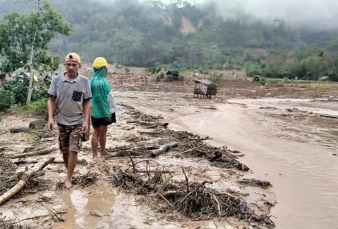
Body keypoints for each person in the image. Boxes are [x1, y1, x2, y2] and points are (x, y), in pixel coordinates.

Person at [47, 52, 92, 190]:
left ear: (79, 66)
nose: (71, 67)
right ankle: (69, 171)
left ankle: (68, 178)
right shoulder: (56, 80)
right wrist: (50, 117)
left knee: (74, 149)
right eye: (68, 64)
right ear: (64, 65)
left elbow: (87, 102)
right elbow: (51, 99)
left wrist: (86, 121)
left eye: (74, 65)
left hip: (77, 121)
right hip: (61, 120)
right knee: (65, 150)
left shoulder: (84, 82)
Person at [90, 57, 116, 160]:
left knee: (104, 131)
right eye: (105, 68)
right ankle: (95, 154)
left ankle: (103, 151)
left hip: (101, 111)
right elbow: (99, 100)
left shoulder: (94, 80)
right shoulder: (99, 83)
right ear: (102, 69)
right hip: (101, 112)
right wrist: (106, 113)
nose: (107, 71)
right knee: (97, 132)